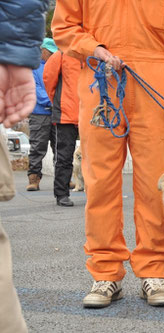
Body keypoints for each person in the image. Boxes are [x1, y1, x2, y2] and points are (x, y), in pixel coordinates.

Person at [51, 0, 164, 308]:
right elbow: (63, 27)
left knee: (156, 183)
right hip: (99, 79)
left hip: (156, 78)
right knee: (100, 184)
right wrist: (93, 48)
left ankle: (154, 272)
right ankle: (106, 273)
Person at [0, 0, 49, 331]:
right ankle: (34, 178)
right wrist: (15, 56)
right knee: (40, 152)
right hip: (41, 109)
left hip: (55, 111)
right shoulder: (44, 63)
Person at [43, 50, 81, 206]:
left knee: (96, 157)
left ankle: (95, 193)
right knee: (63, 157)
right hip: (65, 115)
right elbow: (48, 80)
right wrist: (59, 103)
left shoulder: (93, 53)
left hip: (91, 114)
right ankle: (61, 194)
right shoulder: (61, 55)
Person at [25, 38, 57, 192]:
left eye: (53, 53)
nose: (52, 55)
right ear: (43, 51)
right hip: (39, 113)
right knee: (38, 147)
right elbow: (35, 89)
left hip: (57, 112)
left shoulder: (58, 65)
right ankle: (34, 179)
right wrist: (53, 101)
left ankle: (63, 178)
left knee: (61, 146)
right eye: (50, 52)